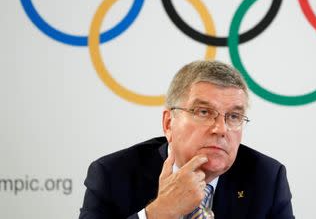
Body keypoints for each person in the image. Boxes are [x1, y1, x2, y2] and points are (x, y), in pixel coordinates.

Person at [79, 60, 295, 219]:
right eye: (203, 112)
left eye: (234, 116)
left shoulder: (267, 178)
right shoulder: (112, 173)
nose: (221, 129)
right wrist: (159, 212)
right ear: (168, 123)